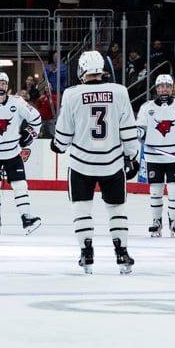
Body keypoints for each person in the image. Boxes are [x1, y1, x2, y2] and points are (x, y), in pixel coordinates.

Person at [51, 50, 140, 274]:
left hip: (81, 163)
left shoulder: (72, 94)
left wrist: (58, 145)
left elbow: (64, 132)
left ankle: (86, 252)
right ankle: (121, 252)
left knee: (81, 208)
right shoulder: (119, 91)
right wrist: (132, 156)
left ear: (81, 70)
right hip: (112, 162)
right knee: (117, 208)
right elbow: (128, 129)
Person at [0, 72, 43, 234]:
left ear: (7, 86)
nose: (0, 86)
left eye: (3, 83)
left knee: (20, 185)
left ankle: (26, 217)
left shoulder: (17, 102)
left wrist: (30, 134)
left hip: (12, 153)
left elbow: (36, 118)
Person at [137, 74, 175, 238]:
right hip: (153, 156)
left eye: (167, 86)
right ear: (156, 88)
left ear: (172, 88)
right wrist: (135, 133)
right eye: (161, 86)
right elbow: (140, 128)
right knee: (155, 191)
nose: (164, 89)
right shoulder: (146, 107)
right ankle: (156, 221)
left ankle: (174, 221)